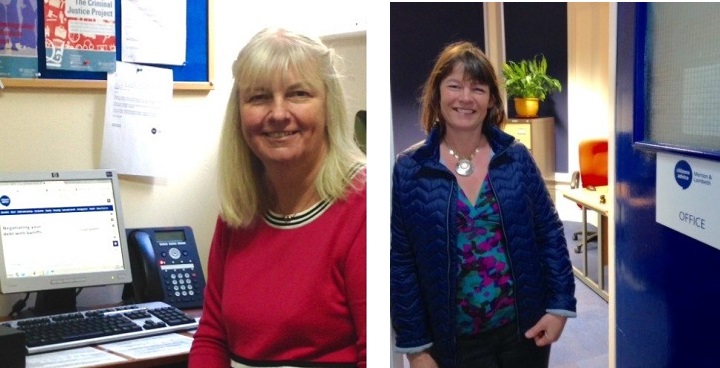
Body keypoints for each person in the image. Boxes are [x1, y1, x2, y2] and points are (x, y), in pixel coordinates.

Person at [390, 41, 576, 368]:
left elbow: (548, 231)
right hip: (453, 342)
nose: (465, 97)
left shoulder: (515, 157)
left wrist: (559, 307)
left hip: (524, 332)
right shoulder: (410, 168)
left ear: (490, 99)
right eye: (455, 86)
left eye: (477, 88)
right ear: (437, 94)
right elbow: (402, 262)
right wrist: (416, 348)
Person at [189, 28, 367, 368]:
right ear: (239, 113)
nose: (278, 113)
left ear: (328, 105)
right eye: (258, 97)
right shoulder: (238, 211)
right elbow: (213, 336)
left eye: (298, 94)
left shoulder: (363, 209)